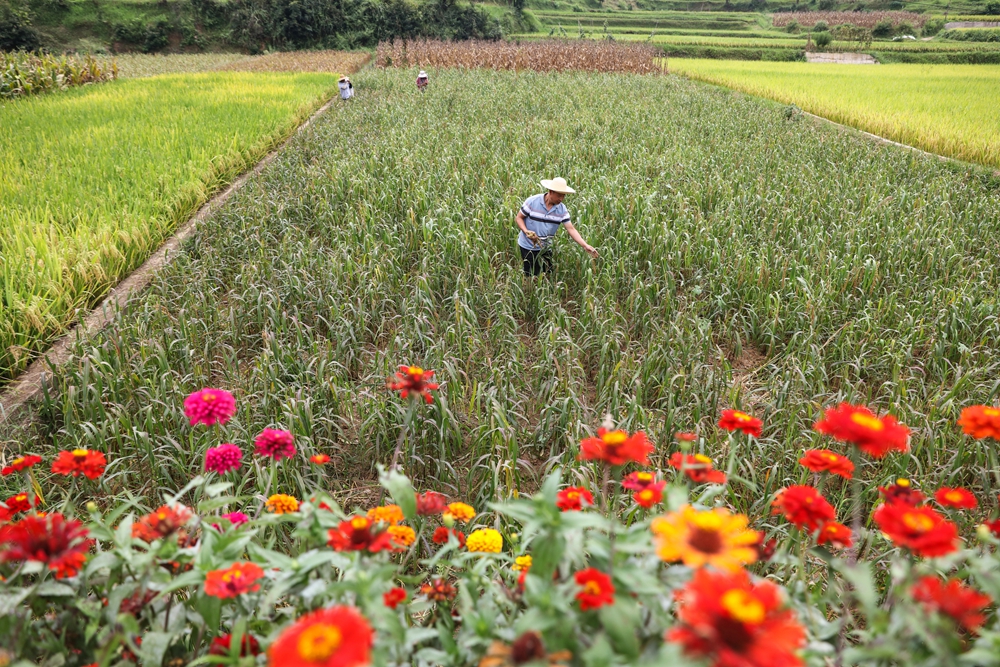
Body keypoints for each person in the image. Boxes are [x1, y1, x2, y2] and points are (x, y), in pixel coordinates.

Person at [516, 177, 597, 277]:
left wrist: (585, 245)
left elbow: (571, 229)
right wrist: (526, 231)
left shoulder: (562, 210)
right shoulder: (532, 201)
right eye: (559, 195)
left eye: (563, 196)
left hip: (546, 247)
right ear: (551, 192)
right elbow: (519, 218)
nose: (561, 199)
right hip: (527, 246)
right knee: (531, 275)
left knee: (547, 274)